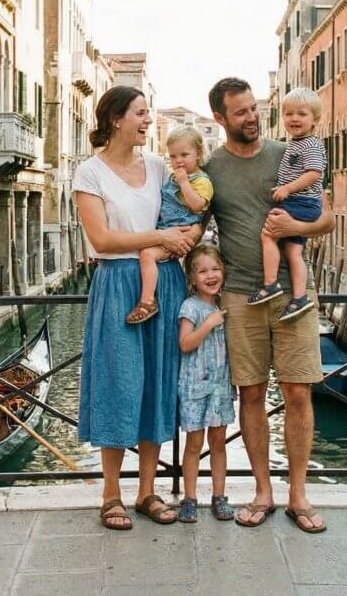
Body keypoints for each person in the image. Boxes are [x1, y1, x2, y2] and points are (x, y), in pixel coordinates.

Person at [204, 76, 334, 533]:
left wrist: (290, 229)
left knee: (298, 391)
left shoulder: (290, 153)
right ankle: (263, 491)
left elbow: (328, 219)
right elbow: (192, 223)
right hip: (240, 294)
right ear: (220, 119)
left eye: (254, 107)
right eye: (240, 112)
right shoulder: (211, 169)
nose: (252, 117)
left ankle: (299, 494)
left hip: (293, 294)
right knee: (252, 393)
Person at [73, 85, 199, 531]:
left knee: (155, 384)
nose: (148, 121)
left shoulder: (160, 166)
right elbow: (102, 240)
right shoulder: (89, 173)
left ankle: (147, 492)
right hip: (118, 283)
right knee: (118, 380)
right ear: (115, 119)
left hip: (164, 280)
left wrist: (182, 239)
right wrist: (160, 239)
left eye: (148, 113)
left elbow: (179, 218)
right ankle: (111, 495)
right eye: (141, 113)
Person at [248, 87, 327, 323]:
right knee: (294, 251)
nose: (294, 119)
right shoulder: (296, 143)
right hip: (303, 202)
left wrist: (287, 189)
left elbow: (314, 174)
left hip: (301, 201)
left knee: (268, 235)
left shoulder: (310, 144)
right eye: (289, 113)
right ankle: (300, 297)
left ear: (315, 120)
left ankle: (271, 284)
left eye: (301, 114)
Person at [127, 126, 214, 325]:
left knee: (147, 254)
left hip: (180, 233)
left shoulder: (202, 181)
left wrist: (184, 183)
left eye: (184, 154)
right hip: (166, 230)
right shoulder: (172, 177)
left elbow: (197, 205)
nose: (178, 161)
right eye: (173, 156)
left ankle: (147, 301)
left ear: (198, 154)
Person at [175, 245, 236, 523]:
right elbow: (185, 344)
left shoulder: (226, 304)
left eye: (215, 269)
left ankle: (219, 496)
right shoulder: (190, 307)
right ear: (192, 278)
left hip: (220, 387)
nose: (210, 275)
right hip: (195, 388)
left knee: (219, 443)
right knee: (193, 444)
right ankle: (189, 497)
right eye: (202, 271)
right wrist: (209, 324)